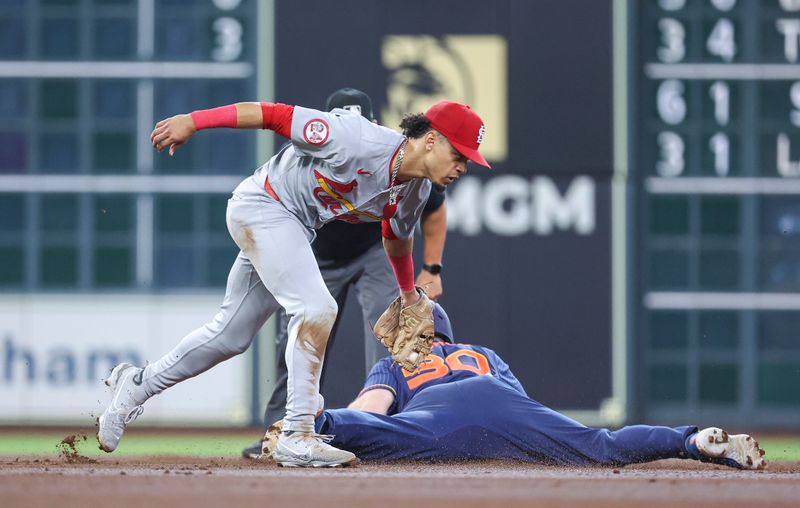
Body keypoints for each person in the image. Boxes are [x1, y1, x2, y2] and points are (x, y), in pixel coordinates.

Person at [95, 95, 490, 468]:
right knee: (317, 308)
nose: (462, 166)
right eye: (459, 154)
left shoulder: (416, 189)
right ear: (431, 140)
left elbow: (396, 238)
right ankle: (298, 433)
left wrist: (407, 295)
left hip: (294, 228)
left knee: (230, 335)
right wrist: (193, 122)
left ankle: (135, 385)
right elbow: (274, 115)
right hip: (262, 204)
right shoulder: (354, 136)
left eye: (467, 160)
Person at [260, 303, 768, 471]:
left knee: (367, 433)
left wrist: (343, 424)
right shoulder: (481, 352)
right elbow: (518, 401)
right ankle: (691, 441)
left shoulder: (399, 362)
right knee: (602, 446)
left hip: (434, 417)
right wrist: (537, 438)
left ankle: (304, 422)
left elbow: (373, 412)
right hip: (504, 405)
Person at [240, 88, 448, 459]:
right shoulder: (319, 148)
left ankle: (390, 429)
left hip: (374, 253)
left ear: (371, 124)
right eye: (339, 120)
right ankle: (280, 430)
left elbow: (434, 207)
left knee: (391, 338)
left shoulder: (397, 161)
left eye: (357, 120)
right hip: (315, 253)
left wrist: (431, 268)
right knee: (299, 337)